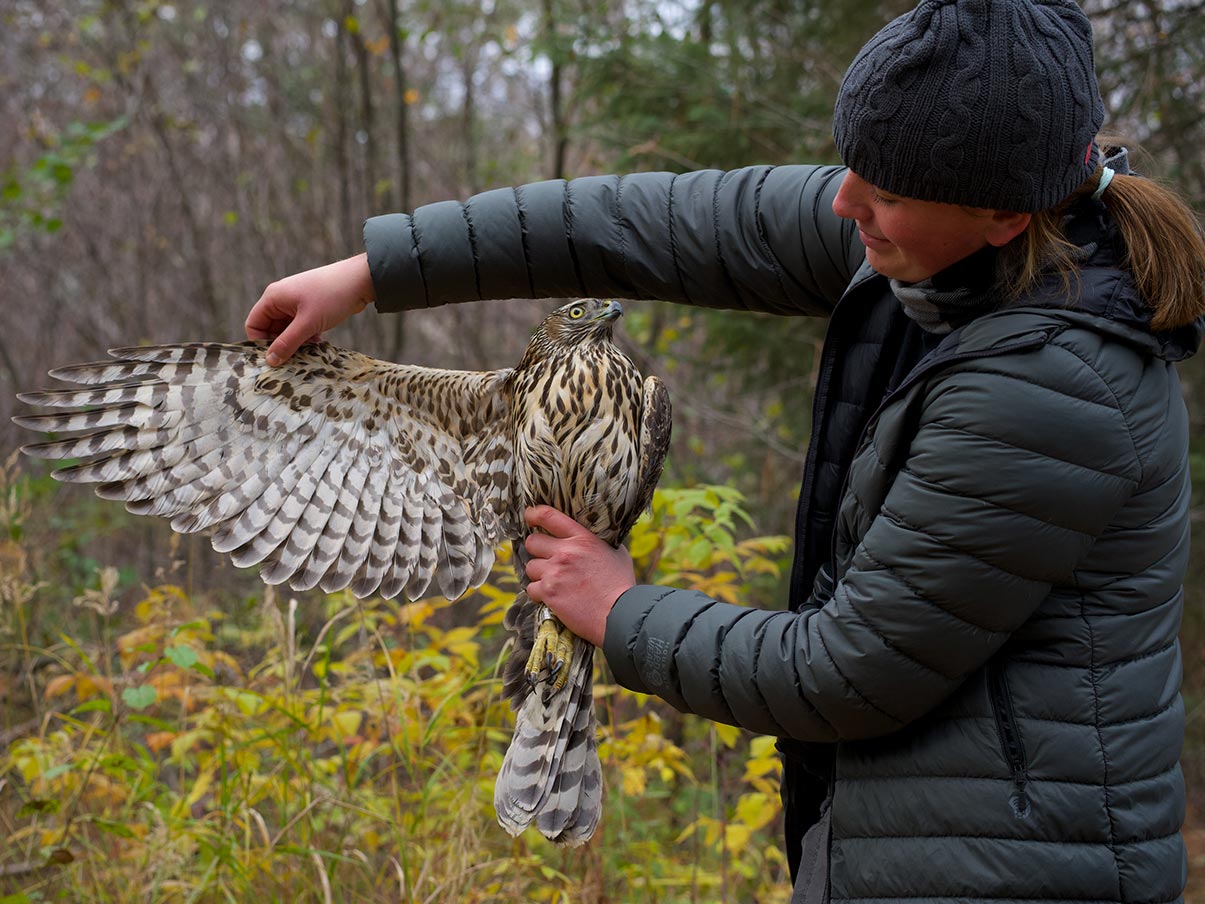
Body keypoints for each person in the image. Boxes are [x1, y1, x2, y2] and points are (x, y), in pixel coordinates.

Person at [245, 0, 1205, 899]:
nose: (842, 205)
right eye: (849, 166)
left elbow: (843, 672)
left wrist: (619, 608)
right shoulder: (943, 247)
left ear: (1001, 213)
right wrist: (375, 270)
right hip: (911, 845)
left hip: (1009, 876)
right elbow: (645, 223)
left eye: (883, 190)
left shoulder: (1052, 387)